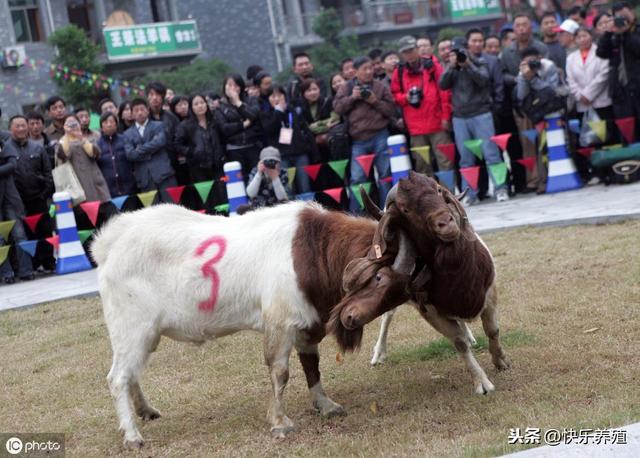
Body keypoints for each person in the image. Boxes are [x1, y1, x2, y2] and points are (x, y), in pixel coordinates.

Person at [440, 38, 509, 204]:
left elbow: (484, 81)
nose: (460, 55)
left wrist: (468, 65)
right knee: (466, 159)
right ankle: (470, 194)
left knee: (491, 154)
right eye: (456, 53)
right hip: (460, 117)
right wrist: (452, 66)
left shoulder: (480, 62)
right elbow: (442, 85)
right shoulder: (450, 68)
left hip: (481, 113)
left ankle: (501, 189)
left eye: (462, 51)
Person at [334, 56, 396, 210]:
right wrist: (352, 98)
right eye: (364, 69)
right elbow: (338, 108)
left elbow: (391, 110)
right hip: (357, 140)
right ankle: (356, 214)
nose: (369, 72)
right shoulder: (346, 88)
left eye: (370, 68)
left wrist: (374, 101)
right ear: (355, 72)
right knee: (357, 178)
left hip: (380, 135)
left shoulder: (380, 87)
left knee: (385, 175)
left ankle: (388, 210)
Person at [392, 35, 453, 176]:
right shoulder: (399, 72)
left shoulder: (432, 66)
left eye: (411, 50)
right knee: (422, 165)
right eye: (405, 52)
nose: (409, 54)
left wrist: (445, 117)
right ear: (402, 54)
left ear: (417, 49)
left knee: (445, 161)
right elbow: (394, 95)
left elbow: (444, 92)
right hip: (415, 128)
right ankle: (428, 198)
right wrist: (405, 97)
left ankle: (448, 195)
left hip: (437, 123)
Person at [502, 14, 549, 194]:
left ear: (531, 28)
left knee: (544, 142)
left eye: (525, 25)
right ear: (514, 29)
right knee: (527, 143)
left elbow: (547, 69)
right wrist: (519, 78)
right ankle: (533, 180)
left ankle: (547, 177)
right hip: (521, 104)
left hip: (541, 102)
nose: (521, 28)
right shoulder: (507, 52)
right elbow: (503, 75)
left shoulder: (541, 47)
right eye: (518, 25)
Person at [4, 115, 54, 273]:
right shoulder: (6, 149)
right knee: (23, 235)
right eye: (17, 126)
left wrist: (44, 194)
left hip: (39, 199)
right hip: (17, 201)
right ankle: (31, 266)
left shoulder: (37, 148)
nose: (21, 129)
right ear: (10, 129)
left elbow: (48, 174)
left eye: (23, 125)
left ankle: (48, 263)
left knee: (44, 232)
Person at [566, 27, 613, 182]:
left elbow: (604, 74)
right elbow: (570, 80)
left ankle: (609, 170)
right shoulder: (571, 58)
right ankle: (596, 172)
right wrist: (580, 95)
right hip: (583, 105)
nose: (582, 39)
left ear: (590, 37)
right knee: (588, 139)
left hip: (601, 101)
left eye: (585, 35)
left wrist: (589, 94)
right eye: (579, 37)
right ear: (575, 40)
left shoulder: (600, 52)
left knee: (605, 137)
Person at [515, 47, 563, 193]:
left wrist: (533, 79)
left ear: (540, 58)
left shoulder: (548, 67)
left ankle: (560, 176)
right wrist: (525, 77)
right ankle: (543, 181)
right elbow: (521, 96)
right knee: (541, 148)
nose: (531, 65)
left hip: (554, 111)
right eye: (527, 62)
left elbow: (551, 91)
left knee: (558, 145)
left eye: (533, 61)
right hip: (536, 115)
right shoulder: (522, 72)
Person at [260, 84, 316, 194]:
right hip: (282, 156)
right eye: (273, 96)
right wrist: (278, 112)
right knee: (288, 189)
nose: (276, 99)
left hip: (300, 154)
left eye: (279, 95)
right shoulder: (265, 114)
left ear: (285, 96)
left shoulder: (293, 110)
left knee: (305, 187)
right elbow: (269, 129)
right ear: (268, 100)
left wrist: (313, 151)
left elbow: (305, 130)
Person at [597, 1, 640, 139]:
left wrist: (626, 33)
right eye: (618, 17)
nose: (622, 20)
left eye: (624, 15)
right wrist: (608, 34)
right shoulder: (614, 34)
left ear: (632, 13)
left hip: (638, 87)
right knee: (628, 132)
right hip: (621, 91)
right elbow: (601, 53)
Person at [0, 122, 34, 283]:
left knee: (19, 234)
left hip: (10, 197)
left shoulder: (5, 137)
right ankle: (6, 274)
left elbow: (12, 165)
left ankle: (26, 271)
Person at [123, 98, 176, 194]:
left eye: (142, 109)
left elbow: (160, 142)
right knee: (152, 208)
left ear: (147, 110)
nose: (140, 113)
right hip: (145, 179)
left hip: (164, 174)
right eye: (136, 110)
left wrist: (139, 149)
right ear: (132, 114)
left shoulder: (159, 125)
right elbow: (130, 155)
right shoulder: (127, 134)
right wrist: (152, 146)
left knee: (172, 206)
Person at [214, 73, 262, 178]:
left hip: (253, 146)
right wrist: (244, 124)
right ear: (224, 87)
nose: (233, 88)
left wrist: (238, 103)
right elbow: (225, 128)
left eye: (236, 85)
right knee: (240, 181)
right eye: (230, 85)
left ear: (241, 87)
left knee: (256, 178)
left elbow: (254, 116)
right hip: (234, 150)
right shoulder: (220, 107)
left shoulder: (251, 100)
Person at [56, 114, 111, 203]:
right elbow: (65, 155)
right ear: (64, 126)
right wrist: (67, 134)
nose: (72, 126)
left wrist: (80, 138)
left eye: (74, 123)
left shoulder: (87, 138)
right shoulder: (62, 142)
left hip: (95, 182)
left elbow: (95, 154)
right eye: (69, 124)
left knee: (102, 209)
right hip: (76, 186)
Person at [175, 93, 226, 183]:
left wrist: (221, 152)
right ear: (191, 107)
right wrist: (192, 152)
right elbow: (178, 144)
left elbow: (223, 139)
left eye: (202, 102)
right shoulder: (185, 126)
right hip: (199, 168)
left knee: (222, 193)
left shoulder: (214, 121)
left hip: (218, 165)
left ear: (206, 104)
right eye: (196, 104)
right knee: (207, 195)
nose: (200, 106)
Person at [146, 81, 185, 184]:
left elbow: (179, 139)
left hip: (172, 166)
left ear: (163, 97)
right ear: (147, 97)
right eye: (151, 94)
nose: (154, 98)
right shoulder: (144, 119)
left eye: (158, 94)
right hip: (152, 169)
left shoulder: (171, 117)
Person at [237, 146, 290, 214]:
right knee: (241, 209)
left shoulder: (283, 172)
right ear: (260, 163)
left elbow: (283, 198)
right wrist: (259, 174)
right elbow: (251, 194)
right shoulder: (255, 171)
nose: (270, 165)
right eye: (266, 162)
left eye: (273, 162)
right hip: (258, 208)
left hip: (277, 209)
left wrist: (275, 178)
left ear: (279, 163)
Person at [466, 28, 505, 121]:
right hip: (467, 111)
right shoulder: (462, 61)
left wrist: (496, 107)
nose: (478, 44)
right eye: (474, 41)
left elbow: (499, 85)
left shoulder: (493, 61)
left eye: (480, 41)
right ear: (467, 42)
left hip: (489, 109)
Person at [96, 112, 137, 198]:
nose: (109, 124)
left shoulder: (125, 139)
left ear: (116, 125)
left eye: (111, 121)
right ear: (101, 127)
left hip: (129, 187)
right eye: (106, 122)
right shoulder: (97, 145)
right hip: (109, 190)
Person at [300, 78, 340, 161]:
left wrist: (318, 124)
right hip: (314, 147)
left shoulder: (328, 101)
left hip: (331, 144)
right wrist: (325, 125)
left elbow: (335, 119)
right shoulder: (302, 109)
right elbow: (307, 127)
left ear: (319, 89)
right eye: (309, 90)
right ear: (304, 94)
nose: (313, 93)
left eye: (315, 89)